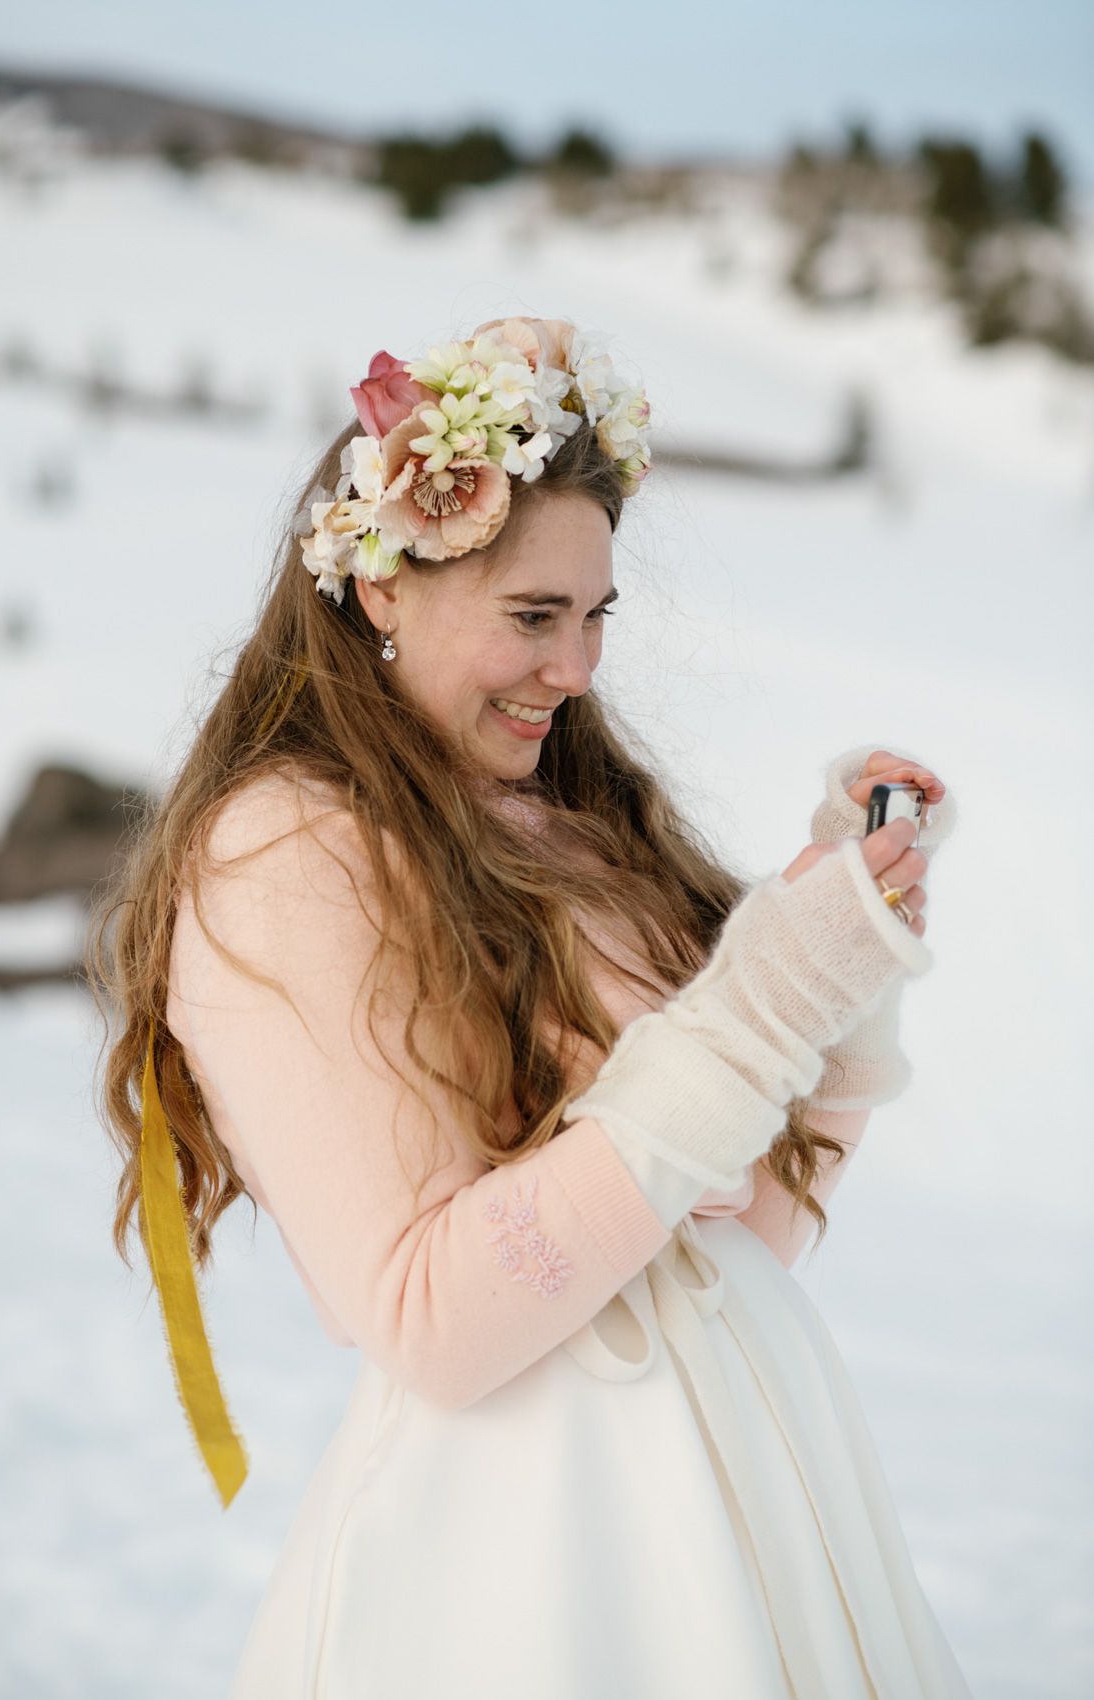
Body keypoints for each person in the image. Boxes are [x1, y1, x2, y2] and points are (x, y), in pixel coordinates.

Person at [88, 316, 975, 1696]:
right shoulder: (284, 853)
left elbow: (749, 1235)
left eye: (593, 615)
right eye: (530, 617)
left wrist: (835, 984)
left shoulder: (564, 824)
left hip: (752, 1495)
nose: (576, 670)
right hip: (537, 1555)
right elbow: (434, 1321)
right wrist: (754, 1008)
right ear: (381, 588)